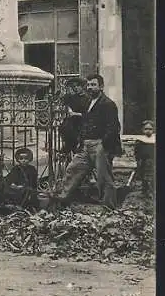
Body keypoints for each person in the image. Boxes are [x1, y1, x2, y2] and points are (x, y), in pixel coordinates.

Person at [56, 74, 122, 210]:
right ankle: (62, 200)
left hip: (100, 145)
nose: (90, 88)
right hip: (85, 145)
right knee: (73, 169)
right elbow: (84, 124)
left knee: (104, 177)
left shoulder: (108, 104)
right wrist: (81, 141)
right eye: (89, 85)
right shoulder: (88, 103)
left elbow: (114, 127)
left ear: (101, 87)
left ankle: (109, 207)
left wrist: (103, 145)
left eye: (94, 85)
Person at [59, 77, 89, 155]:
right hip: (72, 121)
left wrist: (75, 114)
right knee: (64, 127)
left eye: (77, 86)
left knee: (74, 133)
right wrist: (68, 109)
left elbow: (89, 114)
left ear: (82, 87)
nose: (75, 88)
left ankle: (68, 149)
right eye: (74, 86)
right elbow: (65, 101)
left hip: (82, 121)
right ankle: (69, 148)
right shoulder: (72, 97)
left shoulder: (88, 98)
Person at [134, 120, 155, 198]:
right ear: (143, 130)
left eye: (150, 129)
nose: (148, 131)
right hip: (143, 161)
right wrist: (138, 160)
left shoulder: (154, 140)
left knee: (153, 176)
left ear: (153, 130)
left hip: (153, 161)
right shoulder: (140, 140)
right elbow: (137, 152)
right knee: (144, 176)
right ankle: (144, 190)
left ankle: (152, 191)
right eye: (146, 129)